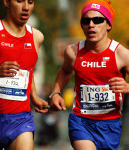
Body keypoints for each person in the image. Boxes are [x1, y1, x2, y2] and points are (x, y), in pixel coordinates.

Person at [50, 0, 129, 150]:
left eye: (98, 20)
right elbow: (65, 71)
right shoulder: (72, 52)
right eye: (86, 21)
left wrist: (128, 87)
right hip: (81, 121)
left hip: (110, 125)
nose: (91, 24)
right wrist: (55, 92)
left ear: (109, 25)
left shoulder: (122, 55)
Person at [0, 0, 49, 149]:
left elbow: (27, 70)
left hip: (20, 120)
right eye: (19, 1)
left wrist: (34, 96)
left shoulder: (37, 37)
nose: (25, 7)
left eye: (30, 2)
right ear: (7, 2)